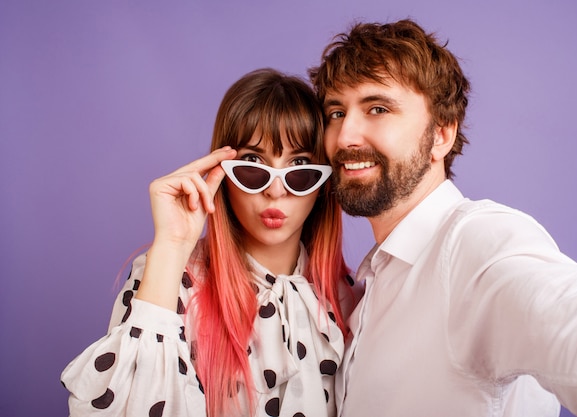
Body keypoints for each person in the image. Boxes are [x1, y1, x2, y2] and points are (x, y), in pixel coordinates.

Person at [308, 19, 577, 417]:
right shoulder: (373, 279)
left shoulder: (476, 245)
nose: (346, 137)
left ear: (441, 135)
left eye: (378, 108)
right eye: (336, 112)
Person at [61, 68, 361, 417]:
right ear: (222, 170)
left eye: (300, 166)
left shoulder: (345, 294)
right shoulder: (171, 277)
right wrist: (172, 244)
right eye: (252, 163)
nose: (275, 190)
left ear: (324, 183)